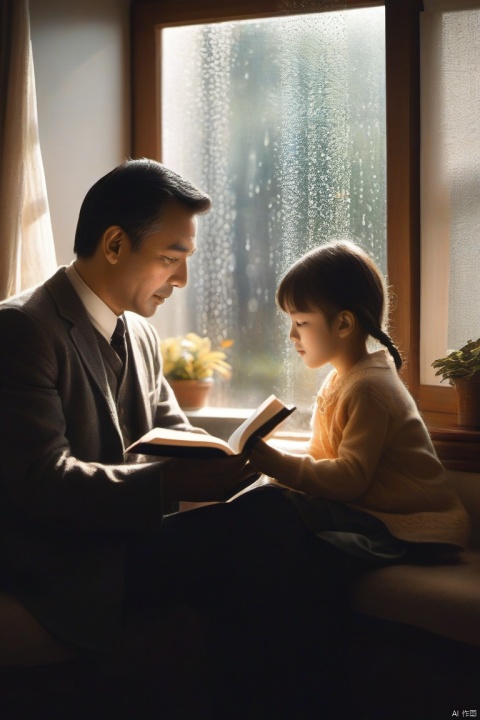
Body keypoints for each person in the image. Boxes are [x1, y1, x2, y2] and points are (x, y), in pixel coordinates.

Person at [0, 159, 330, 719]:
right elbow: (37, 481)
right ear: (112, 244)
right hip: (61, 562)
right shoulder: (23, 328)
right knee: (270, 533)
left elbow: (170, 436)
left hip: (123, 544)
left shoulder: (143, 335)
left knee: (278, 513)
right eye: (170, 258)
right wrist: (166, 485)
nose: (180, 280)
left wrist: (232, 459)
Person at [249, 241, 470, 568]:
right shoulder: (341, 380)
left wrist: (279, 465)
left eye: (300, 323)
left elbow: (350, 478)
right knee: (269, 505)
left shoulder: (370, 387)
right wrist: (277, 473)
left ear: (343, 324)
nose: (291, 337)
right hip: (369, 513)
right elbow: (322, 456)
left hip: (410, 524)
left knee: (282, 525)